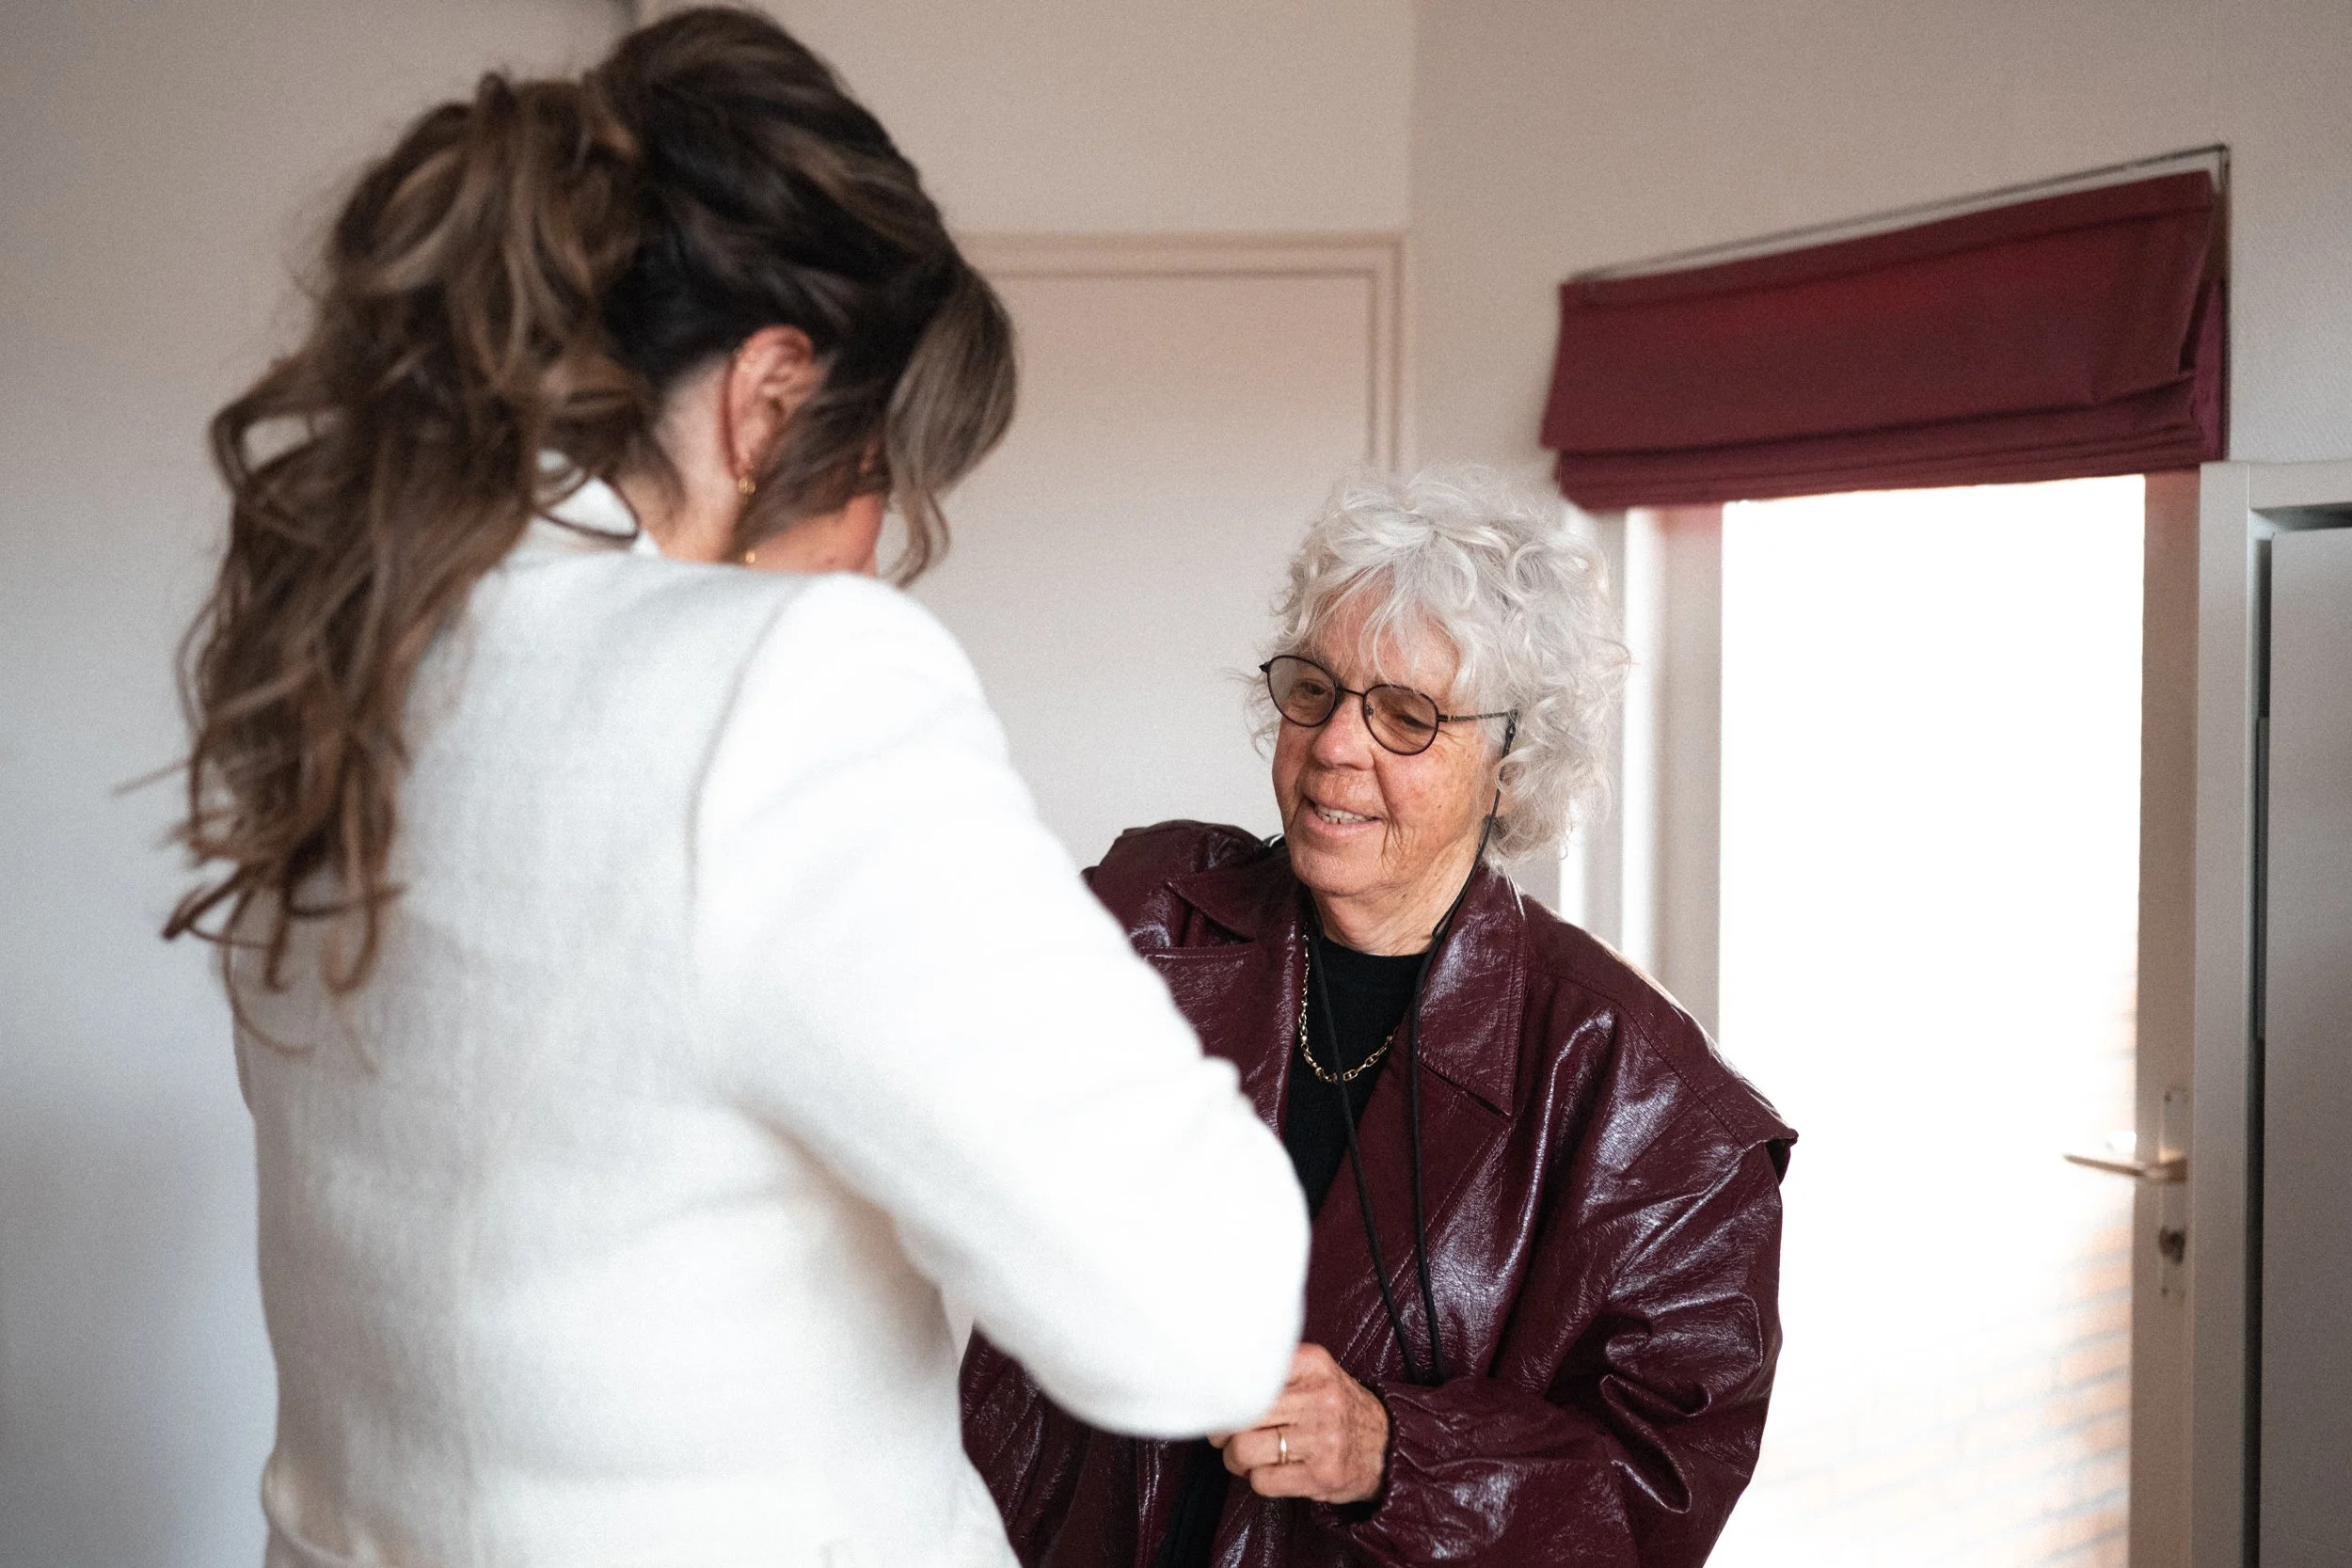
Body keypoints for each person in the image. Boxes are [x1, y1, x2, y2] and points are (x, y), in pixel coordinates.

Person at [165, 11, 1308, 1567]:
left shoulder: (342, 682)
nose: (872, 553)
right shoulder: (786, 690)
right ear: (770, 398)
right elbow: (1200, 1316)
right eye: (875, 481)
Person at [961, 468, 1795, 1568]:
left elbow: (1657, 1496)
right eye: (1315, 688)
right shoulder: (1146, 910)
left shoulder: (1656, 1107)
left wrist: (1394, 1451)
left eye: (1406, 715)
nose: (1335, 745)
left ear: (1511, 761)